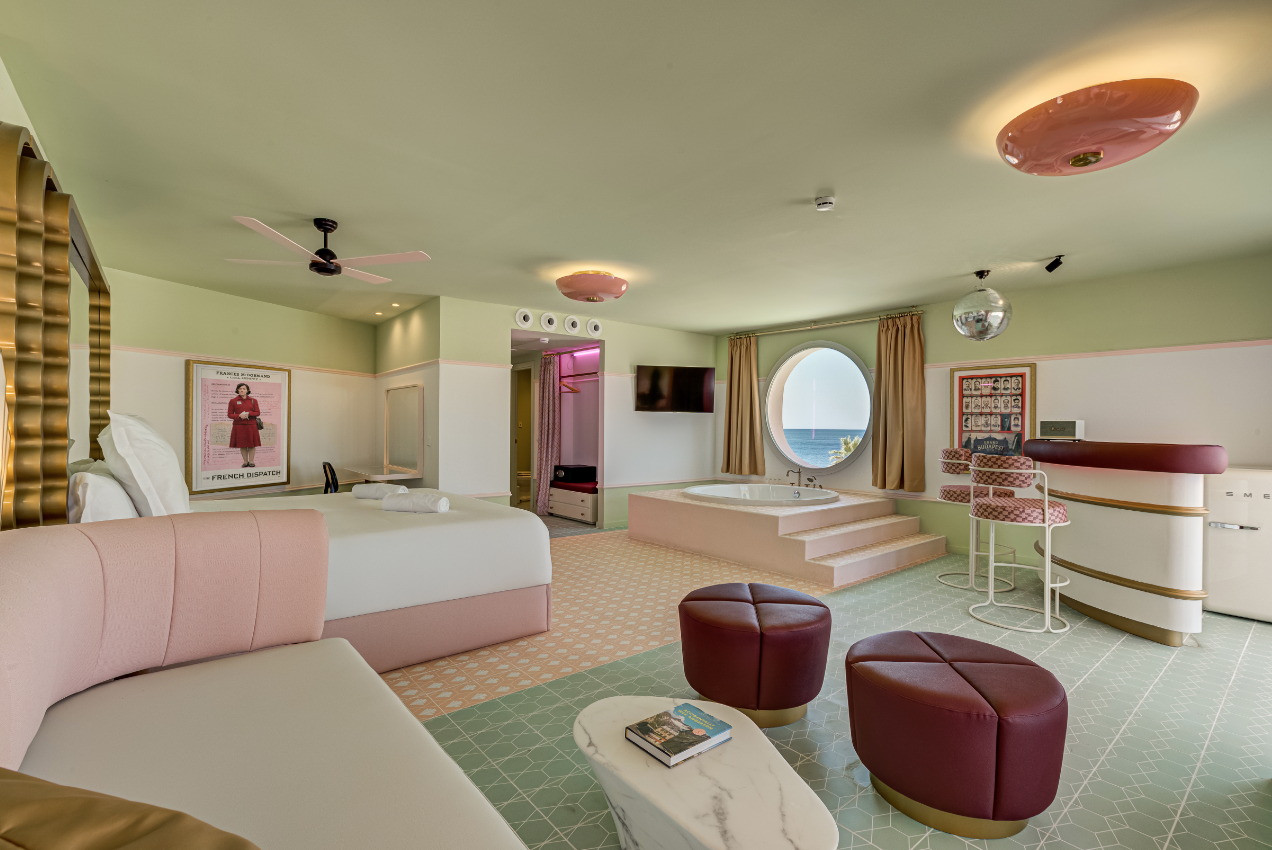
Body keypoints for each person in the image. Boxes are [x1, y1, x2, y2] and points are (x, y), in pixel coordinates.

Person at [227, 383, 261, 467]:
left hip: (251, 425)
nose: (242, 390)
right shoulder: (233, 401)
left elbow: (257, 412)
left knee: (252, 444)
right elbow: (230, 414)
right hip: (239, 425)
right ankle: (245, 462)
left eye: (244, 389)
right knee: (242, 444)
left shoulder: (253, 400)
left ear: (247, 390)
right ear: (237, 390)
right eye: (240, 389)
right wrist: (239, 415)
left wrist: (248, 413)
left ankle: (251, 461)